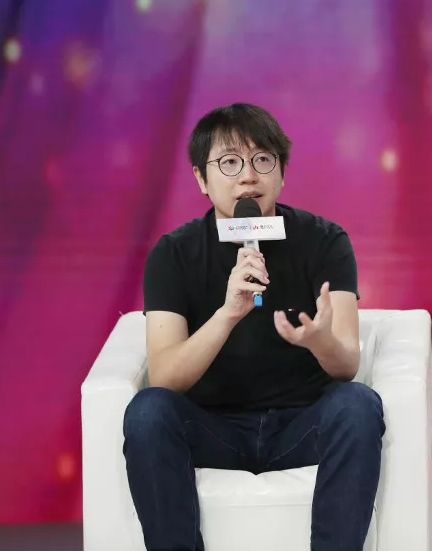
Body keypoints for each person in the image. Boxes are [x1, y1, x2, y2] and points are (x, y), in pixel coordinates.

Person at [122, 103, 385, 551]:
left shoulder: (325, 241)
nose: (248, 176)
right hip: (212, 427)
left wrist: (321, 341)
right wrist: (228, 313)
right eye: (229, 162)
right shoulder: (173, 254)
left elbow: (346, 365)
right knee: (148, 412)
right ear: (201, 179)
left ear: (281, 173)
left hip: (301, 424)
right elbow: (164, 377)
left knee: (358, 404)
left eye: (263, 159)